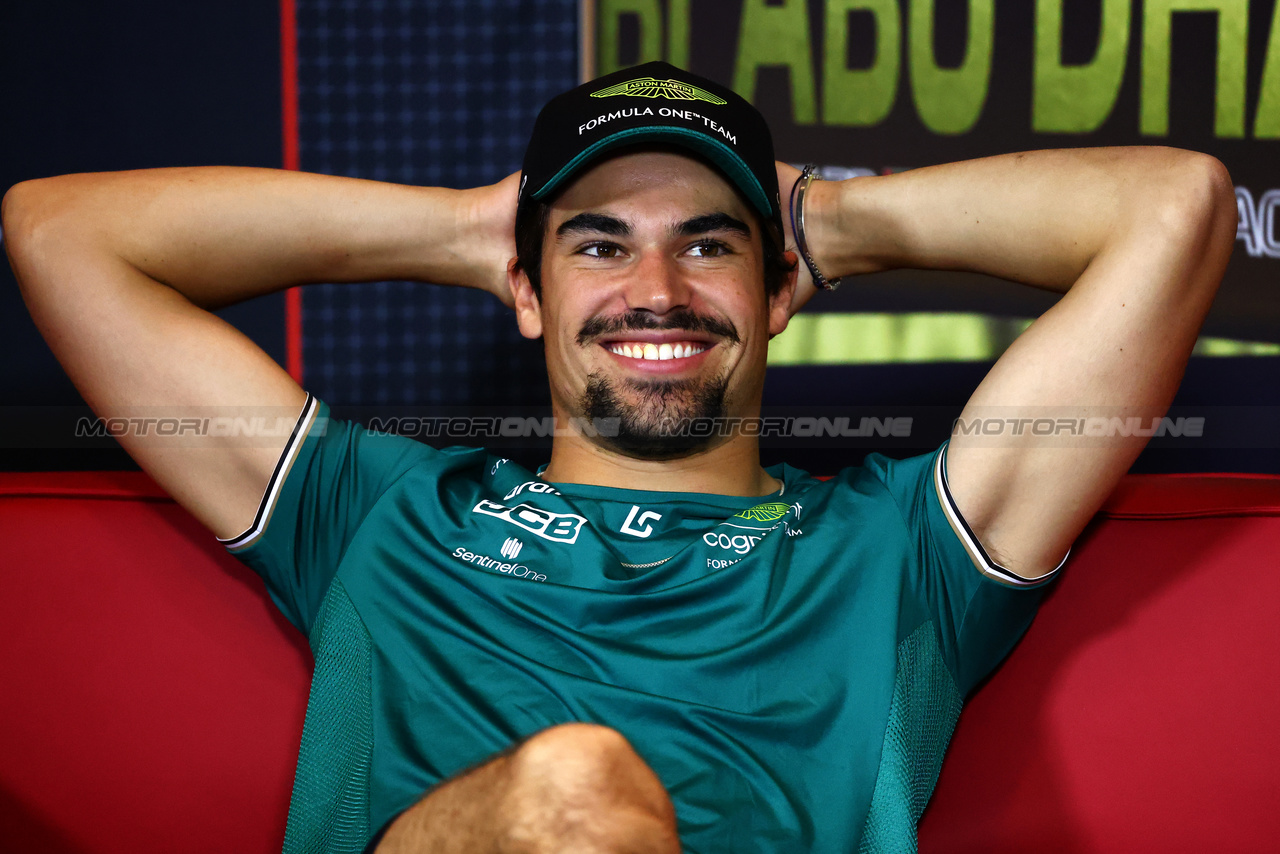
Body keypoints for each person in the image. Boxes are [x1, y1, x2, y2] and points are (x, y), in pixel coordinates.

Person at [3, 61, 1235, 853]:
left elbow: (1170, 208)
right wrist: (466, 230)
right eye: (596, 247)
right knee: (577, 792)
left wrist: (829, 221)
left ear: (777, 292)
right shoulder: (375, 508)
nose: (655, 290)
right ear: (525, 293)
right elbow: (59, 232)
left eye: (708, 247)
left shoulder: (902, 547)